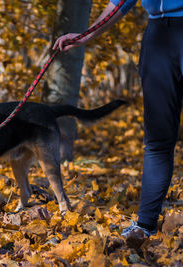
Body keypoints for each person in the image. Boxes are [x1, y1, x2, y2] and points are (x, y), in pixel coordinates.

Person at [53, 0, 183, 238]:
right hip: (159, 39)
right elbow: (122, 1)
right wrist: (86, 35)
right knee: (157, 140)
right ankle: (145, 226)